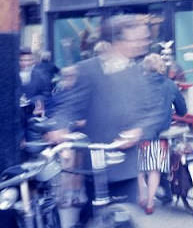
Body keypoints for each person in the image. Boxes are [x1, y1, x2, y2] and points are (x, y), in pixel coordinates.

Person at [47, 15, 159, 207]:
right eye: (137, 39)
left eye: (145, 39)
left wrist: (139, 131)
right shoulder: (87, 70)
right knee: (94, 218)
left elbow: (152, 112)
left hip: (127, 165)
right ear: (117, 41)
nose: (143, 44)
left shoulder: (139, 72)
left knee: (125, 224)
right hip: (98, 163)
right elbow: (69, 105)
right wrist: (60, 126)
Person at [137, 53, 187, 214]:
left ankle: (142, 192)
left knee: (138, 167)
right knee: (154, 169)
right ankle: (151, 203)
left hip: (139, 131)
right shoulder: (170, 85)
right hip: (160, 133)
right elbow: (183, 110)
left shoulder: (137, 84)